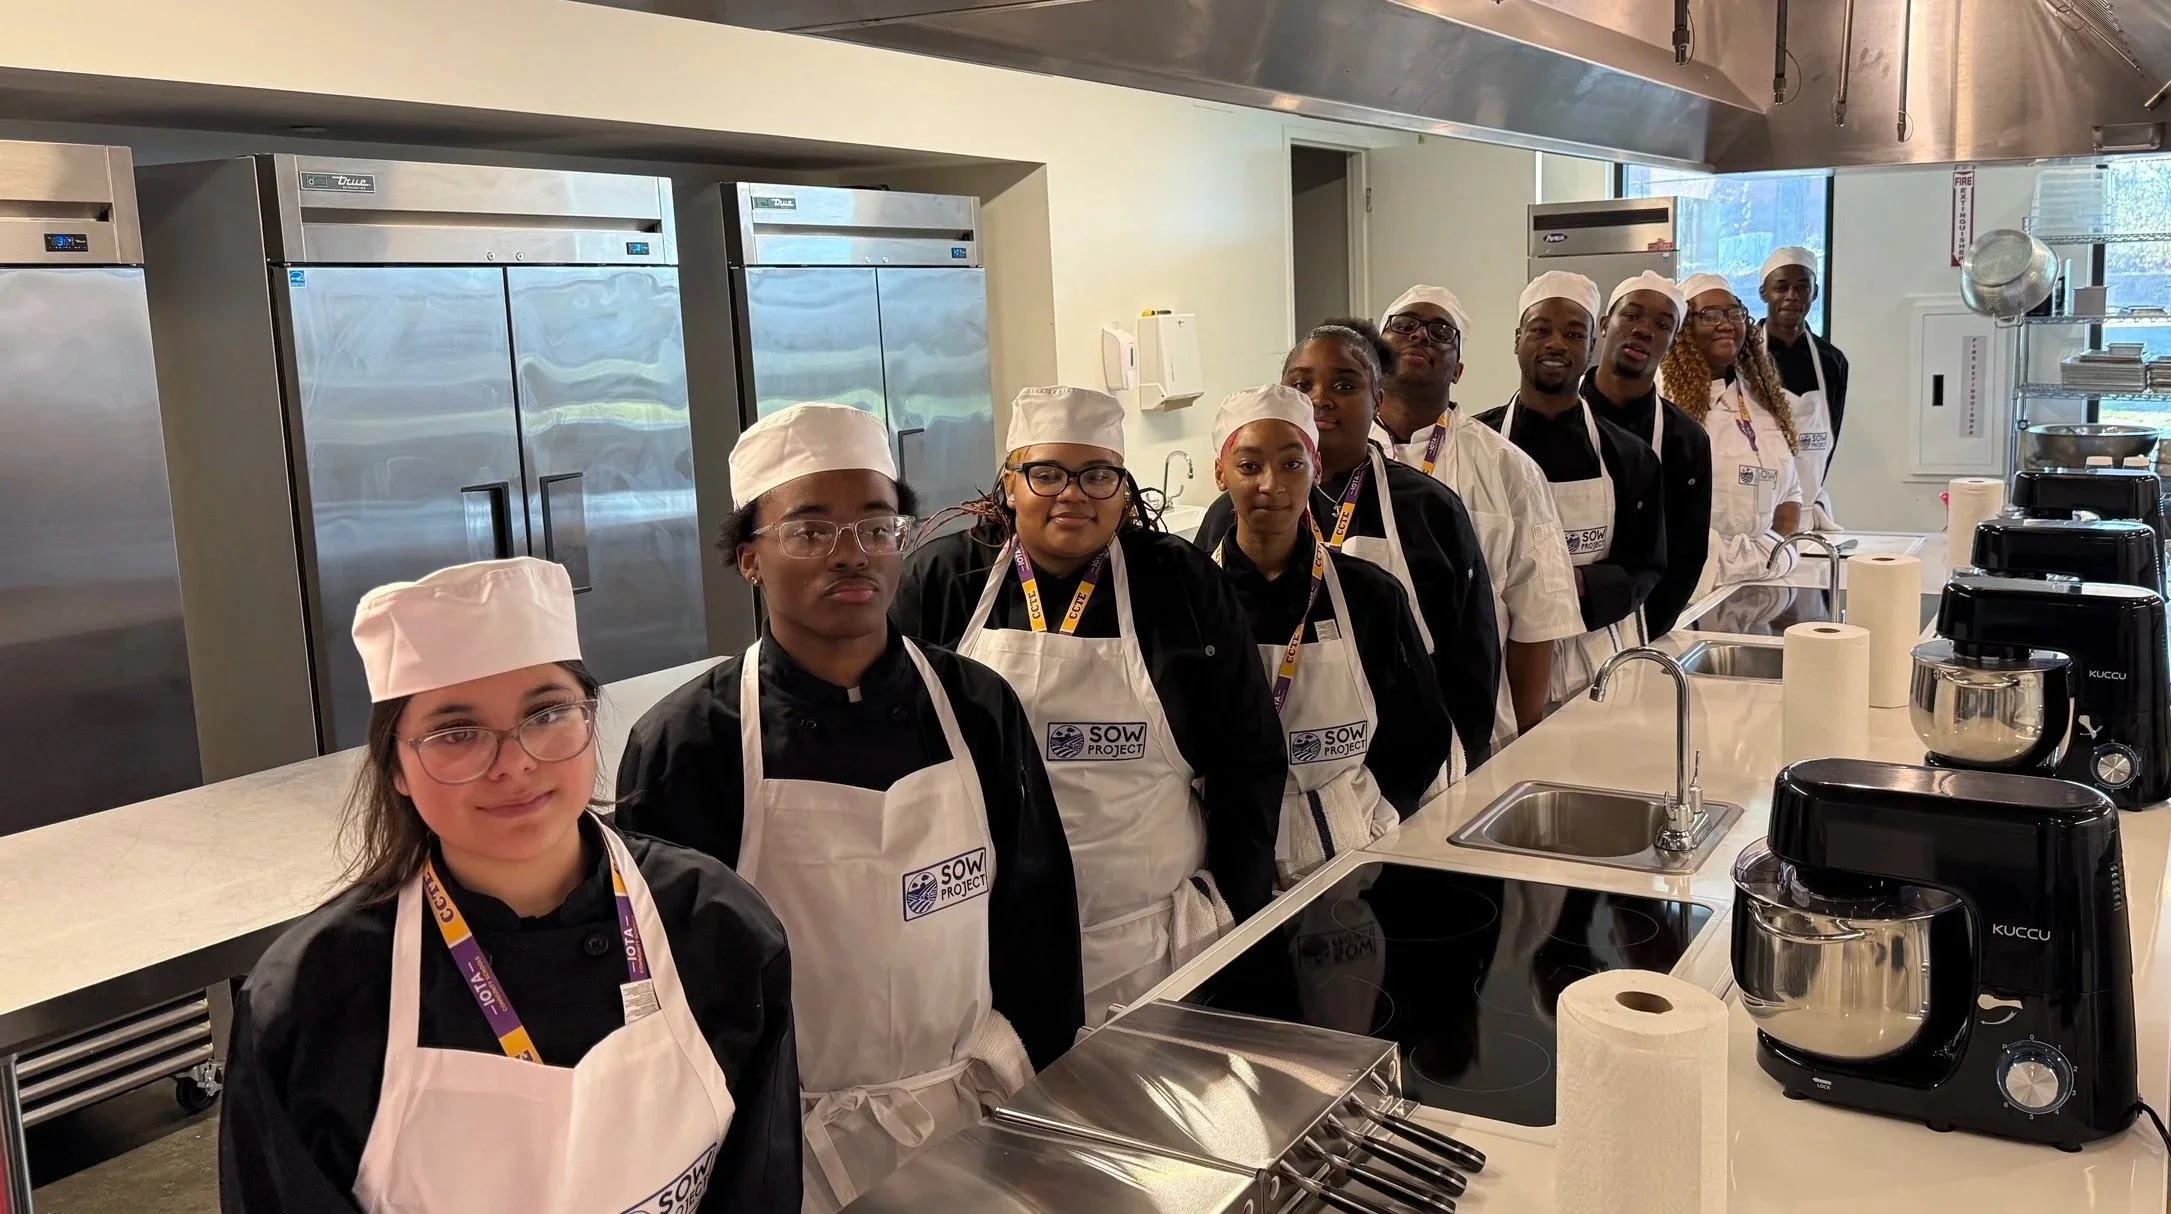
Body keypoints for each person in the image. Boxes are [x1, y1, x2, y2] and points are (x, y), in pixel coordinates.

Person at [221, 557, 800, 1214]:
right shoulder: (317, 995)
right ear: (397, 768)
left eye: (547, 713)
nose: (515, 763)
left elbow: (760, 1184)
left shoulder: (713, 922)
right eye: (457, 732)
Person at [616, 403, 1084, 1212]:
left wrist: (1036, 1089)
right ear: (749, 558)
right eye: (809, 531)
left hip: (977, 1111)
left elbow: (1037, 916)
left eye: (877, 527)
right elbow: (672, 991)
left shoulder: (974, 705)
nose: (852, 556)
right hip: (792, 1151)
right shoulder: (691, 742)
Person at [892, 386, 1283, 1027]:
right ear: (1009, 485)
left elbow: (1250, 758)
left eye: (1098, 475)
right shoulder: (945, 581)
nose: (1072, 494)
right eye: (1046, 473)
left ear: (1124, 492)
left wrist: (1238, 916)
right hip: (988, 949)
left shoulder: (1177, 584)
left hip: (1155, 945)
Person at [1199, 323, 1502, 774]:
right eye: (1301, 386)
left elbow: (1471, 652)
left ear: (1378, 400)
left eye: (1344, 384)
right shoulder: (1234, 514)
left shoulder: (1429, 508)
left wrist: (1459, 762)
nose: (1320, 398)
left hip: (1407, 758)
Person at [1206, 384, 1457, 885]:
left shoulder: (1369, 595)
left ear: (1316, 468)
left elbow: (1422, 731)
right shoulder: (1191, 597)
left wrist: (1373, 817)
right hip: (1224, 854)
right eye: (1249, 466)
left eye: (1292, 464)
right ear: (1220, 473)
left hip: (1350, 848)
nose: (1271, 485)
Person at [1366, 285, 1582, 748]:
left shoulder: (1509, 469)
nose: (1420, 336)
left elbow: (1536, 620)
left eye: (1441, 331)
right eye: (1403, 325)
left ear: (1458, 369)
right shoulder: (1334, 457)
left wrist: (1523, 744)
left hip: (1472, 722)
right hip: (1360, 725)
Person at [1475, 272, 1667, 703]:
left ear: (1591, 346)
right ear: (1517, 338)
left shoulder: (1630, 456)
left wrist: (1569, 583)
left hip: (1596, 657)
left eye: (1574, 333)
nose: (1556, 343)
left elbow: (1648, 564)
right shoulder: (1476, 444)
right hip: (1503, 654)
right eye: (1541, 330)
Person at [1579, 271, 1713, 638]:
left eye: (1662, 324)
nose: (1643, 329)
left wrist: (1642, 635)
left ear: (1670, 344)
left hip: (1639, 627)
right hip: (1550, 625)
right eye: (1632, 315)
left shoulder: (1686, 440)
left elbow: (1686, 556)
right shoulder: (1554, 419)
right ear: (1605, 324)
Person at [1661, 272, 1805, 595]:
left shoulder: (1761, 397)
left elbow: (1791, 492)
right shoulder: (1662, 400)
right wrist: (1727, 561)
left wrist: (1776, 546)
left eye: (1734, 313)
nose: (1726, 323)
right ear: (1683, 329)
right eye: (1709, 315)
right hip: (1693, 586)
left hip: (1763, 579)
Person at [1758, 246, 1847, 531]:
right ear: (1763, 293)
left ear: (1815, 293)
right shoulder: (1742, 355)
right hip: (1756, 512)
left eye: (1802, 287)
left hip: (1807, 515)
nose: (1791, 296)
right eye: (1781, 287)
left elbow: (1831, 433)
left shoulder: (1832, 361)